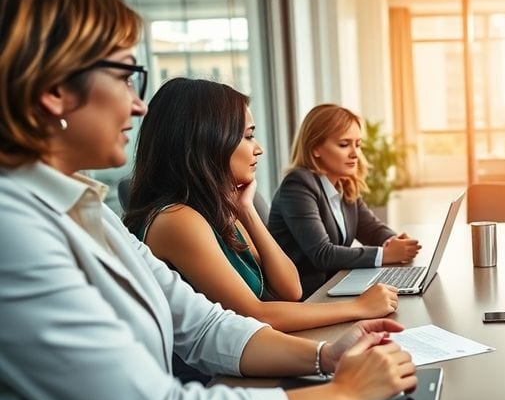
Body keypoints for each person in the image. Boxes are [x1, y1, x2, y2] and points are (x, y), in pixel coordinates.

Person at [0, 0, 415, 400]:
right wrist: (344, 393)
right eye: (125, 76)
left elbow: (203, 326)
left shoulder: (90, 210)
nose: (139, 104)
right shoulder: (13, 230)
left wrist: (327, 355)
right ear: (54, 89)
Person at [123, 79, 398, 334]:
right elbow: (255, 314)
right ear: (208, 141)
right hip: (212, 378)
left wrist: (247, 210)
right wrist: (358, 308)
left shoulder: (219, 210)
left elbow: (291, 289)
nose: (259, 149)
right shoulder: (177, 219)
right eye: (248, 136)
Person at [268, 104, 421, 299]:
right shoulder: (298, 185)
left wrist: (394, 241)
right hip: (307, 297)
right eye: (344, 144)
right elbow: (322, 254)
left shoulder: (343, 184)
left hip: (333, 287)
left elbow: (371, 229)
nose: (355, 154)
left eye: (357, 144)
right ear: (315, 148)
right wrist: (387, 254)